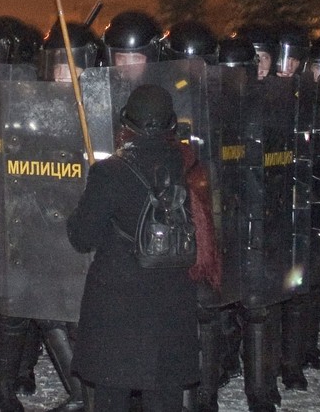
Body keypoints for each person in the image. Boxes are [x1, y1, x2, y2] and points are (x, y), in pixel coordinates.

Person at [68, 84, 218, 412]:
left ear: (126, 122)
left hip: (118, 305)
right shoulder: (190, 167)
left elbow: (81, 237)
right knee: (165, 398)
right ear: (171, 124)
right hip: (172, 302)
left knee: (111, 397)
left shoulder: (109, 172)